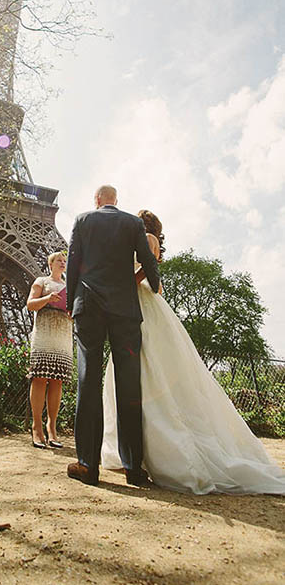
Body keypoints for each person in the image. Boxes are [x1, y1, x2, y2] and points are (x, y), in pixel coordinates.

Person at [101, 209, 285, 494]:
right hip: (138, 304)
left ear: (144, 225)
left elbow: (149, 272)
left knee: (148, 370)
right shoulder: (143, 238)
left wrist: (124, 283)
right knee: (144, 372)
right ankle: (135, 451)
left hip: (141, 303)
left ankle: (152, 451)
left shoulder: (147, 238)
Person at [66, 186, 160, 486]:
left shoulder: (82, 220)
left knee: (88, 382)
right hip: (124, 310)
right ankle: (133, 469)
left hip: (90, 306)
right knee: (129, 387)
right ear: (116, 202)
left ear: (96, 200)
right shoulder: (133, 223)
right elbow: (148, 260)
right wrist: (155, 285)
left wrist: (71, 304)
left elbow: (72, 265)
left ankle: (87, 465)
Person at [27, 251, 73, 449]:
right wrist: (48, 299)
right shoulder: (41, 281)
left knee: (57, 380)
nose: (63, 263)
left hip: (62, 333)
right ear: (51, 264)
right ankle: (36, 426)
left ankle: (52, 427)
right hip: (45, 332)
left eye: (65, 260)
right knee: (39, 378)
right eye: (59, 260)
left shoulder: (69, 286)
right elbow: (30, 304)